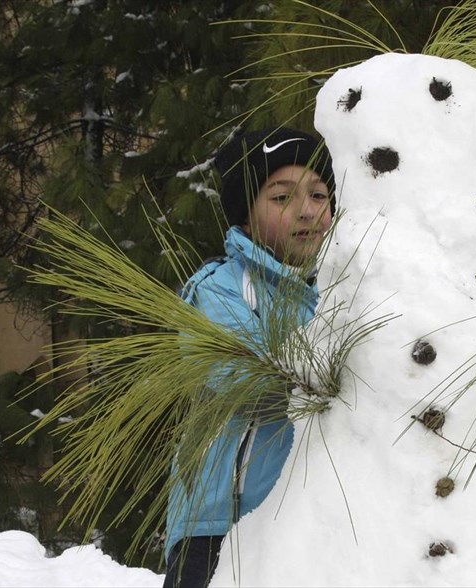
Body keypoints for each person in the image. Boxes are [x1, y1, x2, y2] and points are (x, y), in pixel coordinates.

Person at [162, 127, 335, 588]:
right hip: (218, 521)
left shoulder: (344, 288)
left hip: (306, 520)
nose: (306, 210)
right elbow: (242, 374)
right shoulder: (219, 287)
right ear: (245, 217)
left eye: (319, 194)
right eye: (281, 198)